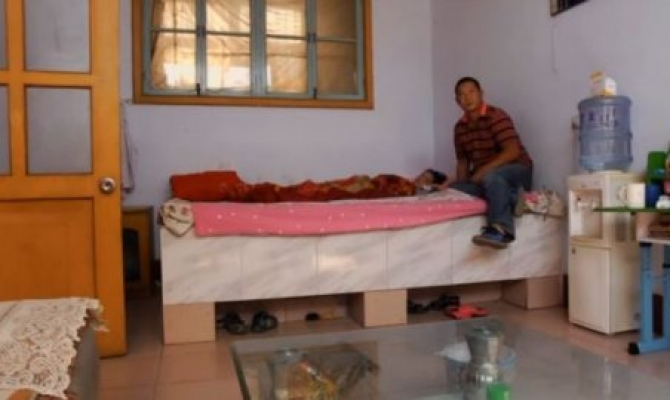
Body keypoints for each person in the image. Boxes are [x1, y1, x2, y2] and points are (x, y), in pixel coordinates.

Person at [448, 77, 533, 249]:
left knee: (491, 178)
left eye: (471, 92)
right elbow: (463, 162)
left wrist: (483, 171)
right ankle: (513, 197)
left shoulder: (495, 116)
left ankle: (501, 230)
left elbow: (513, 151)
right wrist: (462, 187)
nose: (467, 98)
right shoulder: (459, 128)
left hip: (517, 170)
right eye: (462, 95)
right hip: (488, 179)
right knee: (456, 189)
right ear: (457, 101)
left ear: (481, 94)